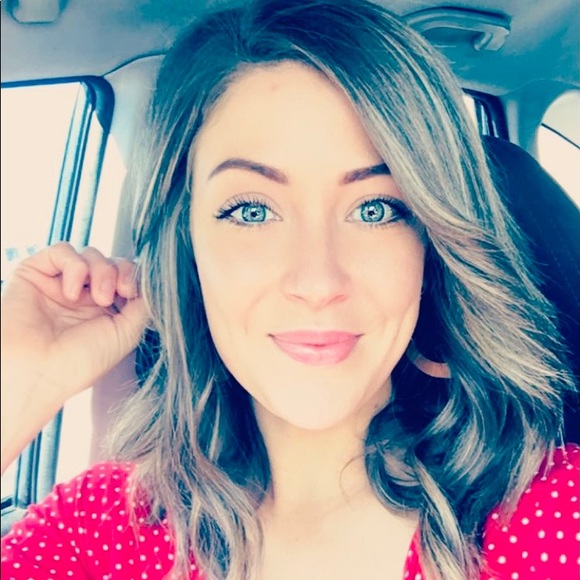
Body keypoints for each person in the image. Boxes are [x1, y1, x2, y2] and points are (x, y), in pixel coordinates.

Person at [1, 0, 578, 578]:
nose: (318, 282)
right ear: (186, 247)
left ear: (431, 247)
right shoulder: (103, 529)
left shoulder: (553, 518)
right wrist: (18, 384)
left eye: (376, 209)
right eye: (252, 211)